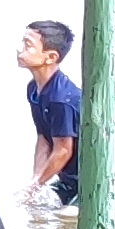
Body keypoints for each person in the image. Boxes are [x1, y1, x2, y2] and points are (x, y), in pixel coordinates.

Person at [18, 19, 80, 214]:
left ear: (51, 57)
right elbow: (44, 138)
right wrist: (35, 182)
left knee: (65, 218)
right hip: (66, 178)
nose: (20, 50)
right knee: (29, 206)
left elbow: (63, 150)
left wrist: (36, 185)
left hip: (86, 181)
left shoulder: (61, 99)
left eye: (28, 45)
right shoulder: (33, 89)